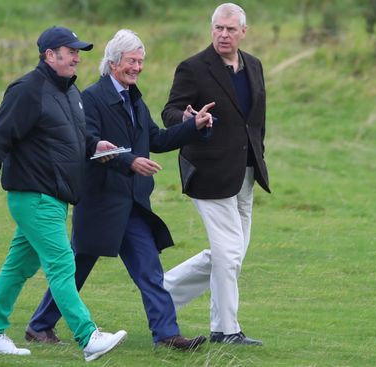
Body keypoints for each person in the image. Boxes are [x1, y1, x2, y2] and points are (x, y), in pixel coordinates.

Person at [26, 29, 215, 351]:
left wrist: (192, 127)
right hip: (100, 202)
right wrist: (129, 162)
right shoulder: (91, 98)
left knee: (150, 271)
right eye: (132, 61)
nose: (137, 67)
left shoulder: (134, 98)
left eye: (140, 61)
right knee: (76, 268)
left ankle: (167, 335)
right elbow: (89, 145)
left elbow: (155, 139)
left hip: (132, 204)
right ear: (113, 62)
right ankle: (40, 325)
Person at [0, 26, 127, 362]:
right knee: (62, 263)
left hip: (55, 197)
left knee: (18, 268)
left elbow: (70, 138)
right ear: (49, 55)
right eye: (69, 51)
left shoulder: (70, 92)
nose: (76, 57)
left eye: (78, 52)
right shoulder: (28, 90)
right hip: (34, 195)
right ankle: (89, 337)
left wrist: (94, 145)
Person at [161, 3, 270, 346]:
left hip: (246, 171)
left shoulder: (253, 65)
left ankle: (162, 293)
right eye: (218, 28)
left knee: (232, 253)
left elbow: (255, 119)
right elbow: (170, 111)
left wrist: (258, 155)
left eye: (230, 29)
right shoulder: (194, 68)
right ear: (212, 30)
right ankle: (226, 330)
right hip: (208, 172)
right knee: (227, 254)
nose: (223, 34)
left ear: (243, 32)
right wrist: (188, 119)